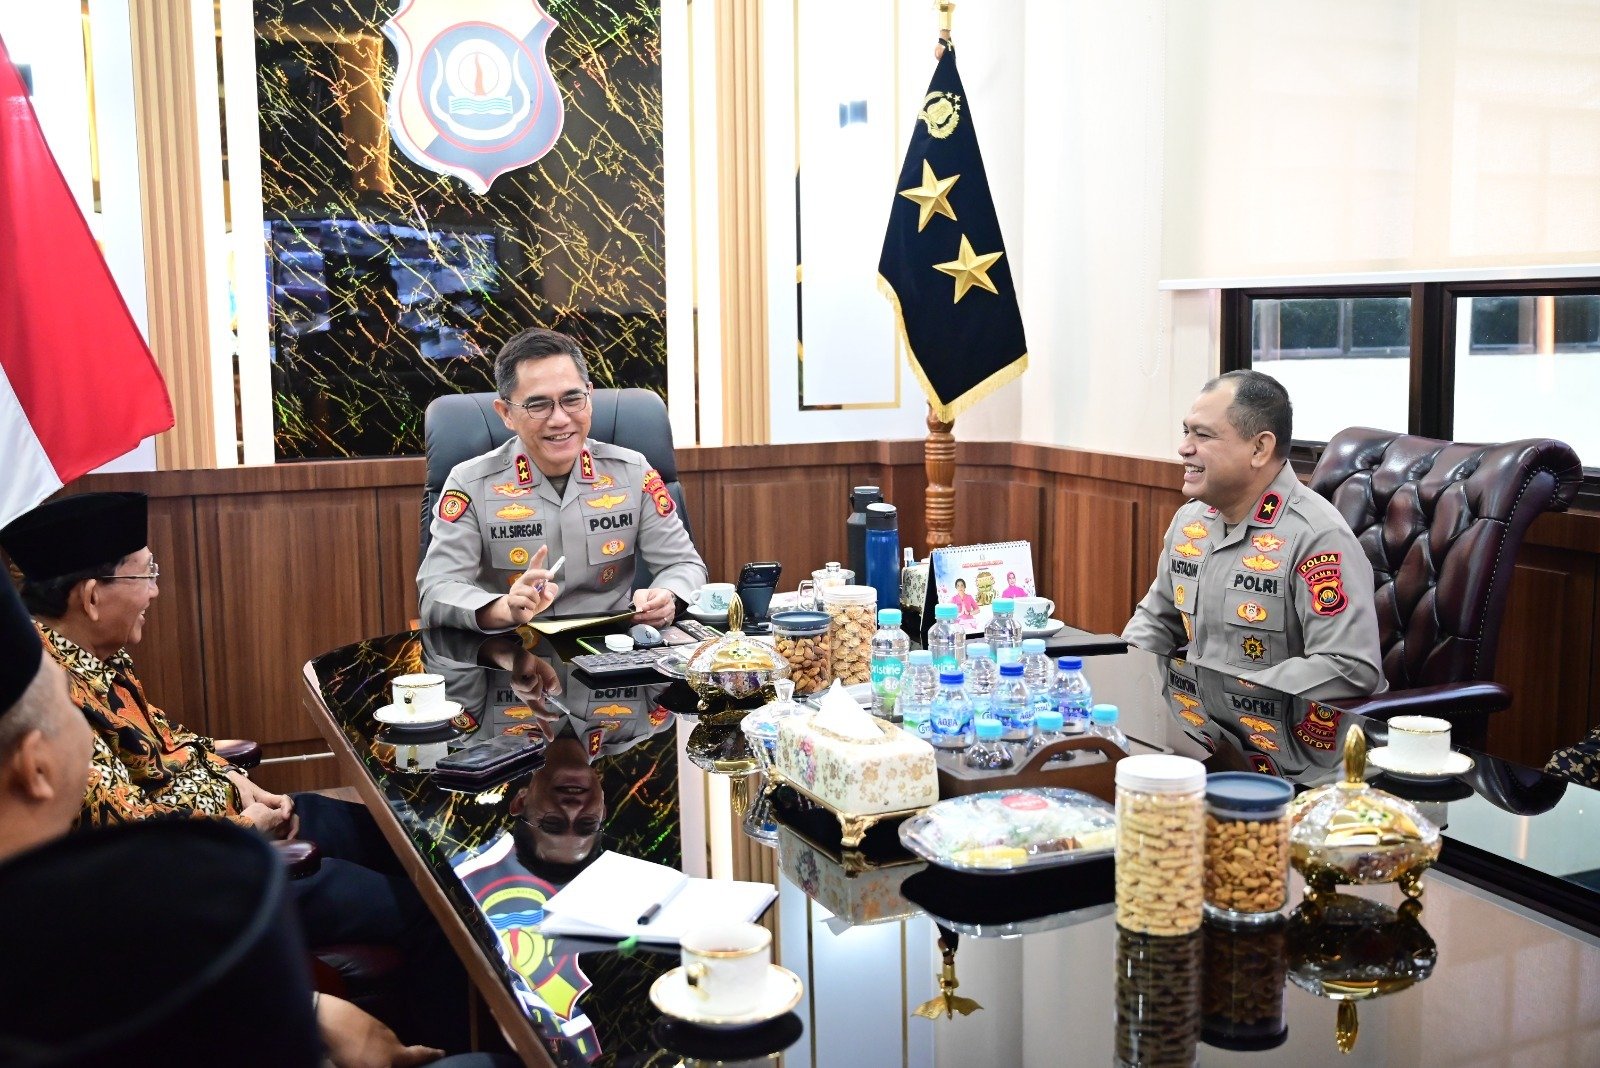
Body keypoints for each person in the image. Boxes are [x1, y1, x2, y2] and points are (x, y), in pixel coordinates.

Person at [0, 491, 470, 1052]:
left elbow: (168, 742)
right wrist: (247, 830)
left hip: (240, 822)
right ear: (92, 596)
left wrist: (235, 780)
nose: (155, 590)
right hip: (212, 877)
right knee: (436, 914)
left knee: (410, 839)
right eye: (146, 574)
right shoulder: (48, 694)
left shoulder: (93, 654)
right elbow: (139, 843)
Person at [418, 327, 707, 633]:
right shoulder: (470, 483)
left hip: (611, 646)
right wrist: (504, 608)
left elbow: (683, 564)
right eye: (538, 405)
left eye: (572, 399)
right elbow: (437, 588)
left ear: (589, 397)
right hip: (513, 648)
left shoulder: (632, 472)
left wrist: (667, 597)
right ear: (506, 413)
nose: (559, 419)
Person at [1122, 370, 1384, 700]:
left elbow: (1349, 666)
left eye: (1203, 435)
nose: (1184, 448)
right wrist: (1122, 677)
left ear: (1259, 448)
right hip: (1195, 717)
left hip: (1275, 723)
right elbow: (1156, 622)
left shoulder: (1317, 535)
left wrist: (1233, 694)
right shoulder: (1190, 521)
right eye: (1187, 431)